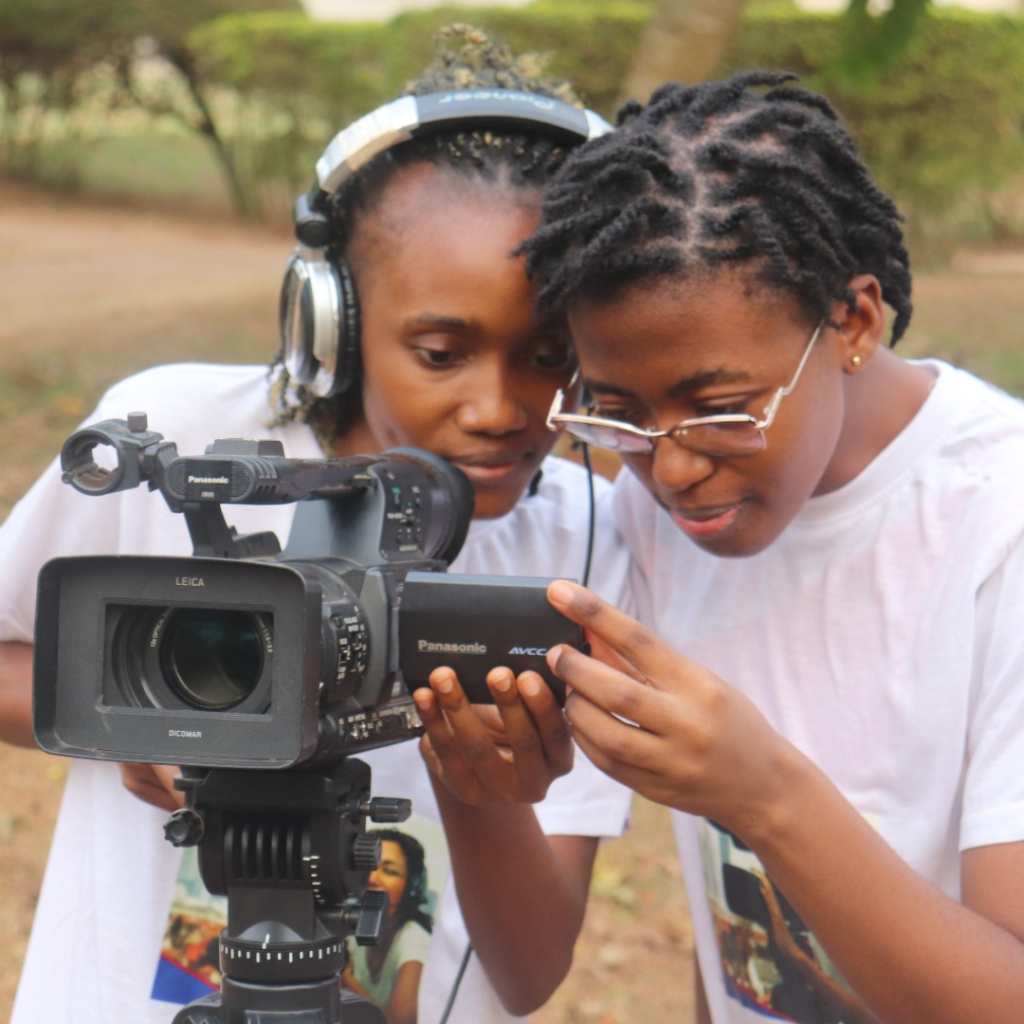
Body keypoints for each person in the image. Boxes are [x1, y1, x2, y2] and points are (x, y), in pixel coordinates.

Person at [0, 26, 632, 1024]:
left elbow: (532, 967)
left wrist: (483, 787)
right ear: (330, 321)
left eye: (552, 351)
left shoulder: (588, 541)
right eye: (438, 350)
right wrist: (146, 708)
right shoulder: (176, 436)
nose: (503, 404)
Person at [520, 70, 1024, 1023]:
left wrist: (766, 797)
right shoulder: (651, 513)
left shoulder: (1000, 528)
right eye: (618, 415)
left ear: (853, 321)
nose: (669, 473)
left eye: (720, 409)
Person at [343, 829, 434, 1023]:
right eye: (368, 867)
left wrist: (346, 980)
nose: (373, 878)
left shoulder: (414, 942)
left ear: (411, 886)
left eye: (390, 871)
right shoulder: (351, 926)